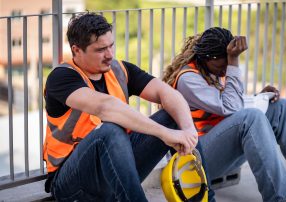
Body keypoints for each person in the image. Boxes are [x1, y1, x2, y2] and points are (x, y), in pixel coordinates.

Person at [42, 12, 200, 201]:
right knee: (109, 130)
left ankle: (205, 197)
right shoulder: (62, 77)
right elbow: (105, 107)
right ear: (76, 50)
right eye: (100, 49)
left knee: (176, 117)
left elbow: (168, 94)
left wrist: (188, 131)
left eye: (111, 46)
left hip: (115, 170)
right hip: (73, 183)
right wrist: (165, 134)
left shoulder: (118, 69)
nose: (110, 55)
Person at [163, 27, 286, 202]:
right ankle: (281, 198)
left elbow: (228, 104)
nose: (225, 71)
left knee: (281, 107)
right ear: (208, 58)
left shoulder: (213, 70)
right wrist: (233, 61)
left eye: (227, 66)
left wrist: (259, 97)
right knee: (250, 118)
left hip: (220, 145)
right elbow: (232, 109)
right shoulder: (188, 79)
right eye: (222, 66)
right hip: (196, 158)